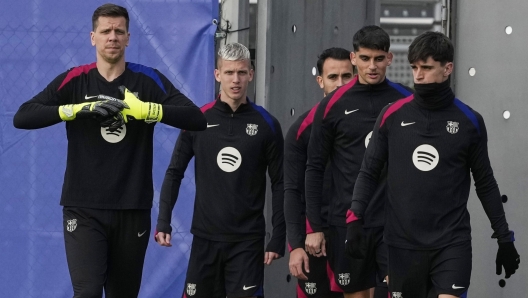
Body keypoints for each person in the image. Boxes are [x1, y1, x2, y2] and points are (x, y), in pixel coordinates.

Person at [12, 3, 206, 297]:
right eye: (106, 31)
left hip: (132, 207)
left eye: (119, 31)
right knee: (88, 291)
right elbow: (23, 116)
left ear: (128, 38)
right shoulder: (76, 79)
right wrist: (74, 110)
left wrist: (149, 110)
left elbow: (196, 118)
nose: (112, 37)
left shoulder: (146, 79)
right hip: (84, 207)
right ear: (93, 37)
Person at [347, 31, 520, 298]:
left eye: (426, 68)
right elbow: (368, 172)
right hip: (402, 245)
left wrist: (504, 238)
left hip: (451, 244)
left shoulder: (469, 121)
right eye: (415, 67)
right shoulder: (392, 115)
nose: (418, 75)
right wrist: (355, 217)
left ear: (447, 68)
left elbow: (485, 184)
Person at [155, 42, 285, 298]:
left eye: (241, 72)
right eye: (228, 73)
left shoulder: (267, 124)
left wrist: (278, 236)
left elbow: (280, 182)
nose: (235, 80)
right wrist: (163, 221)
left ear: (251, 73)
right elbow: (174, 172)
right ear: (217, 75)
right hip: (205, 240)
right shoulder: (197, 119)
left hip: (247, 243)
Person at [304, 26, 412, 298]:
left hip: (395, 223)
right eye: (365, 58)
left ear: (390, 58)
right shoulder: (332, 105)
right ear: (353, 59)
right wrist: (314, 226)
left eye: (378, 59)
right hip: (349, 222)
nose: (371, 66)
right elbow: (315, 167)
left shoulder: (407, 100)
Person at [285, 47, 353, 298]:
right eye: (332, 77)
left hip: (360, 238)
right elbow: (291, 189)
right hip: (316, 242)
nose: (340, 84)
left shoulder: (374, 122)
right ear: (320, 81)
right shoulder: (301, 129)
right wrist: (295, 245)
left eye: (346, 76)